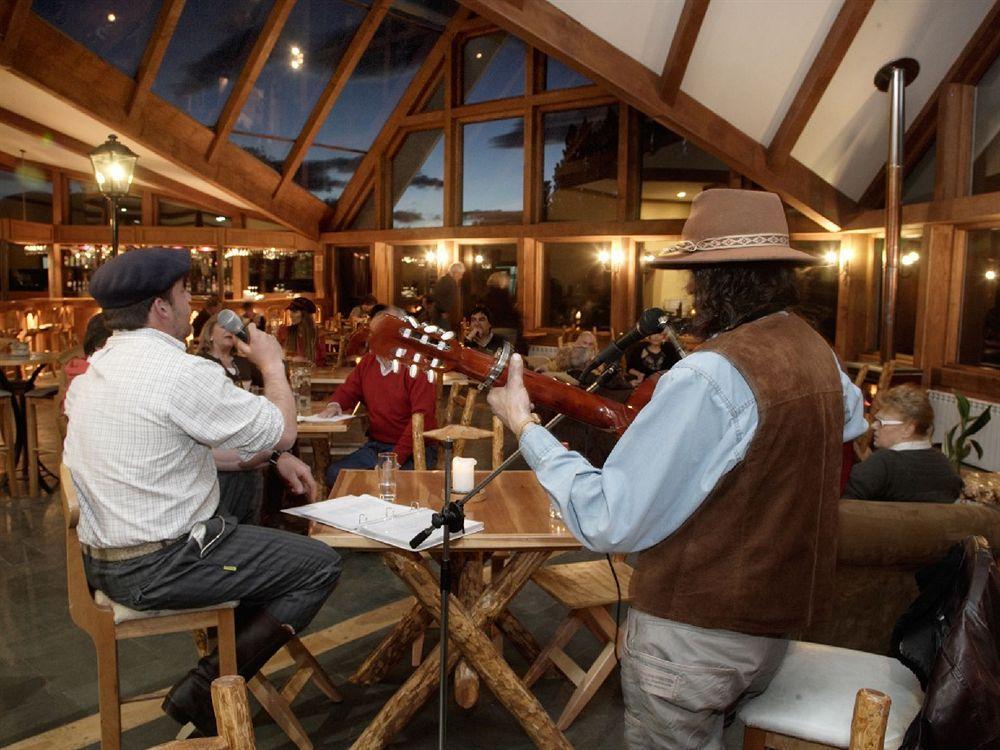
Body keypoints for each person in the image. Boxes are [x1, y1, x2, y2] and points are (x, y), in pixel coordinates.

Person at [485, 189, 867, 749]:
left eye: (694, 278)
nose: (690, 291)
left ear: (711, 281)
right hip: (777, 624)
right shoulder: (816, 351)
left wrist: (525, 426)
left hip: (695, 639)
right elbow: (847, 431)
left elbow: (609, 518)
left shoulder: (711, 376)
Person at [63, 248, 342, 736]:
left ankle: (227, 663)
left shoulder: (98, 370)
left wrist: (272, 459)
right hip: (159, 566)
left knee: (252, 530)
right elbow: (280, 431)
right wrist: (273, 367)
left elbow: (168, 451)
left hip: (103, 560)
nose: (192, 301)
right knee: (318, 564)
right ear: (161, 306)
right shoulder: (180, 372)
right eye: (184, 291)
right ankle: (206, 687)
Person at [320, 308, 438, 488]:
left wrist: (396, 458)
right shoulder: (369, 361)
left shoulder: (418, 365)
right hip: (378, 446)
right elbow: (350, 389)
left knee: (396, 485)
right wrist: (335, 404)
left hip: (415, 449)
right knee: (335, 475)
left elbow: (422, 419)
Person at [843, 384, 962, 502]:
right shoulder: (946, 466)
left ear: (908, 429)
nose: (873, 426)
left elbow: (843, 506)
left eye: (881, 422)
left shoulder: (883, 463)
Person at [197, 313, 260, 387]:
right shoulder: (201, 361)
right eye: (224, 326)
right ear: (210, 334)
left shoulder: (244, 361)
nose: (229, 331)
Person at [482, 271, 523, 350]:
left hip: (493, 328)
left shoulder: (486, 296)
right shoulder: (503, 295)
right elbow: (507, 313)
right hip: (506, 328)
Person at [278, 296, 324, 366]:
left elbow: (321, 360)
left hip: (311, 374)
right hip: (289, 373)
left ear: (305, 315)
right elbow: (277, 355)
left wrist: (303, 361)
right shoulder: (284, 331)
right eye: (290, 312)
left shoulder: (317, 334)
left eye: (294, 312)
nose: (290, 315)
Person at [431, 262, 465, 331]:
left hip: (440, 312)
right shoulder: (449, 281)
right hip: (440, 314)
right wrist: (442, 311)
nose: (461, 277)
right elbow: (437, 295)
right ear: (455, 272)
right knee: (445, 335)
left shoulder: (446, 280)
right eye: (460, 274)